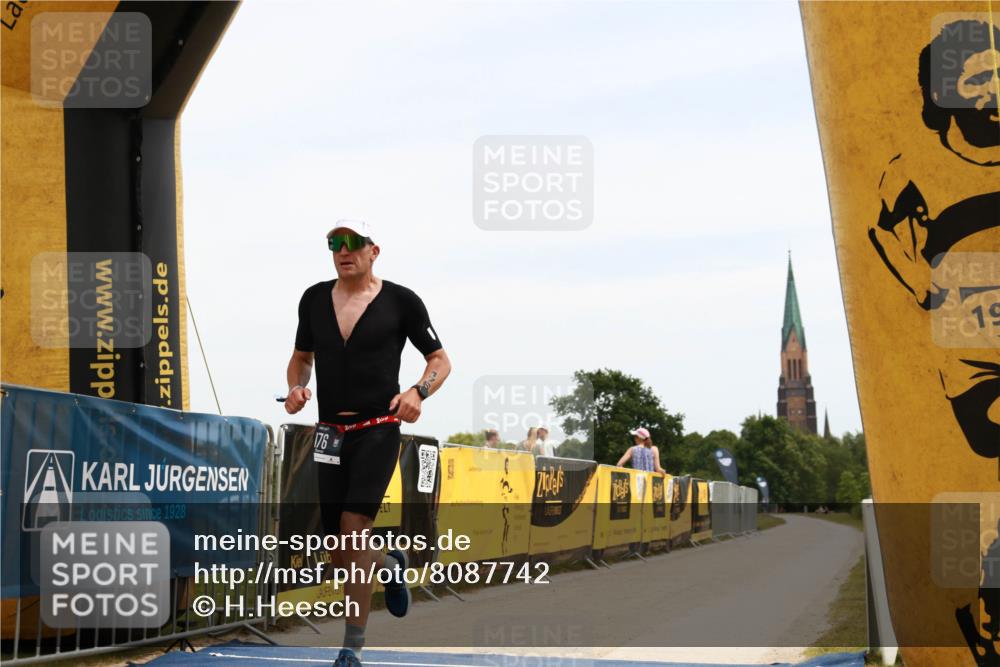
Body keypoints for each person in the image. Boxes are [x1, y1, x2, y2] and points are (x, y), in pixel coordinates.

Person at [284, 219, 451, 667]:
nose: (343, 250)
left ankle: (351, 648)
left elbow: (439, 359)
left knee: (354, 528)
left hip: (378, 427)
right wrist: (298, 388)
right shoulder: (314, 299)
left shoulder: (401, 301)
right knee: (340, 550)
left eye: (353, 243)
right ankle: (391, 564)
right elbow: (301, 359)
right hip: (328, 434)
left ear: (374, 251)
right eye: (335, 243)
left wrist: (420, 391)